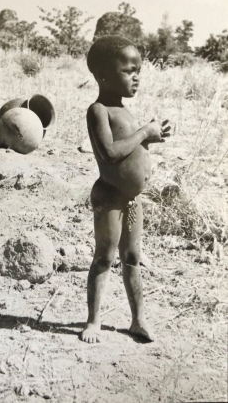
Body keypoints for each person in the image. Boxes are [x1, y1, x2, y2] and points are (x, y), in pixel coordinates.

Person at [80, 35, 170, 343]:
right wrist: (145, 131)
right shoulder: (98, 111)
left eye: (139, 71)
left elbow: (131, 151)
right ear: (103, 74)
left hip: (132, 201)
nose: (136, 77)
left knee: (132, 257)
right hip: (110, 198)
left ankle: (137, 320)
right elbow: (109, 153)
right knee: (105, 258)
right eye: (128, 70)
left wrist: (151, 136)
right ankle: (93, 322)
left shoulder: (126, 111)